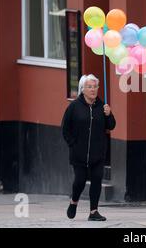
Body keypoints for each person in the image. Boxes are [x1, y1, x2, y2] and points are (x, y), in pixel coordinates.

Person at [61, 74, 116, 221]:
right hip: (79, 154)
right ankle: (74, 202)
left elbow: (111, 125)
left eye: (95, 87)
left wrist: (109, 114)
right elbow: (65, 128)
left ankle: (93, 212)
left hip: (98, 153)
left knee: (97, 180)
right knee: (80, 180)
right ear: (83, 89)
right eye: (89, 87)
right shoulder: (74, 107)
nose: (92, 90)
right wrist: (72, 144)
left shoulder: (102, 106)